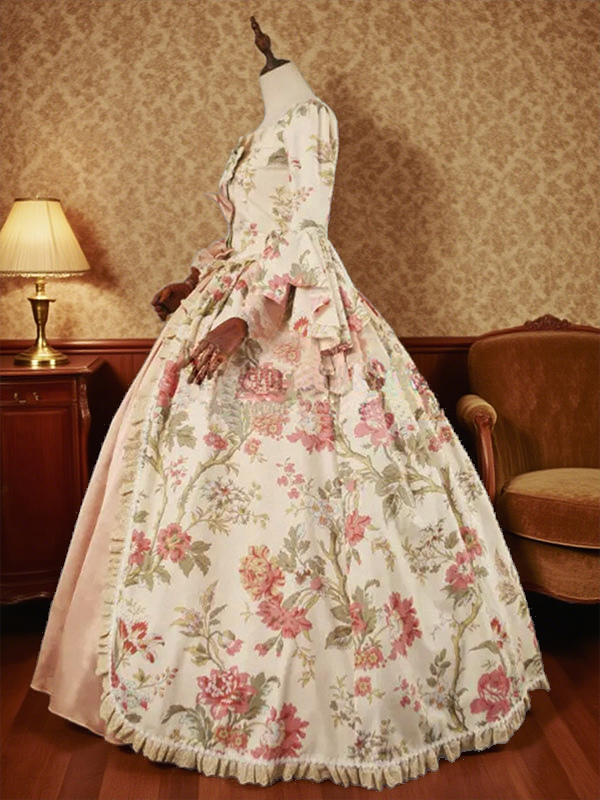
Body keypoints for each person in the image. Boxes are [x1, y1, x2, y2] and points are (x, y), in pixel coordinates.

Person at [31, 24, 550, 791]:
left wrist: (243, 319)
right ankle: (191, 667)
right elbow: (245, 238)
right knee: (201, 503)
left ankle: (345, 687)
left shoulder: (310, 119)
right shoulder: (256, 134)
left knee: (325, 498)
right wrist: (196, 285)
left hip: (297, 324)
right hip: (232, 301)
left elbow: (303, 237)